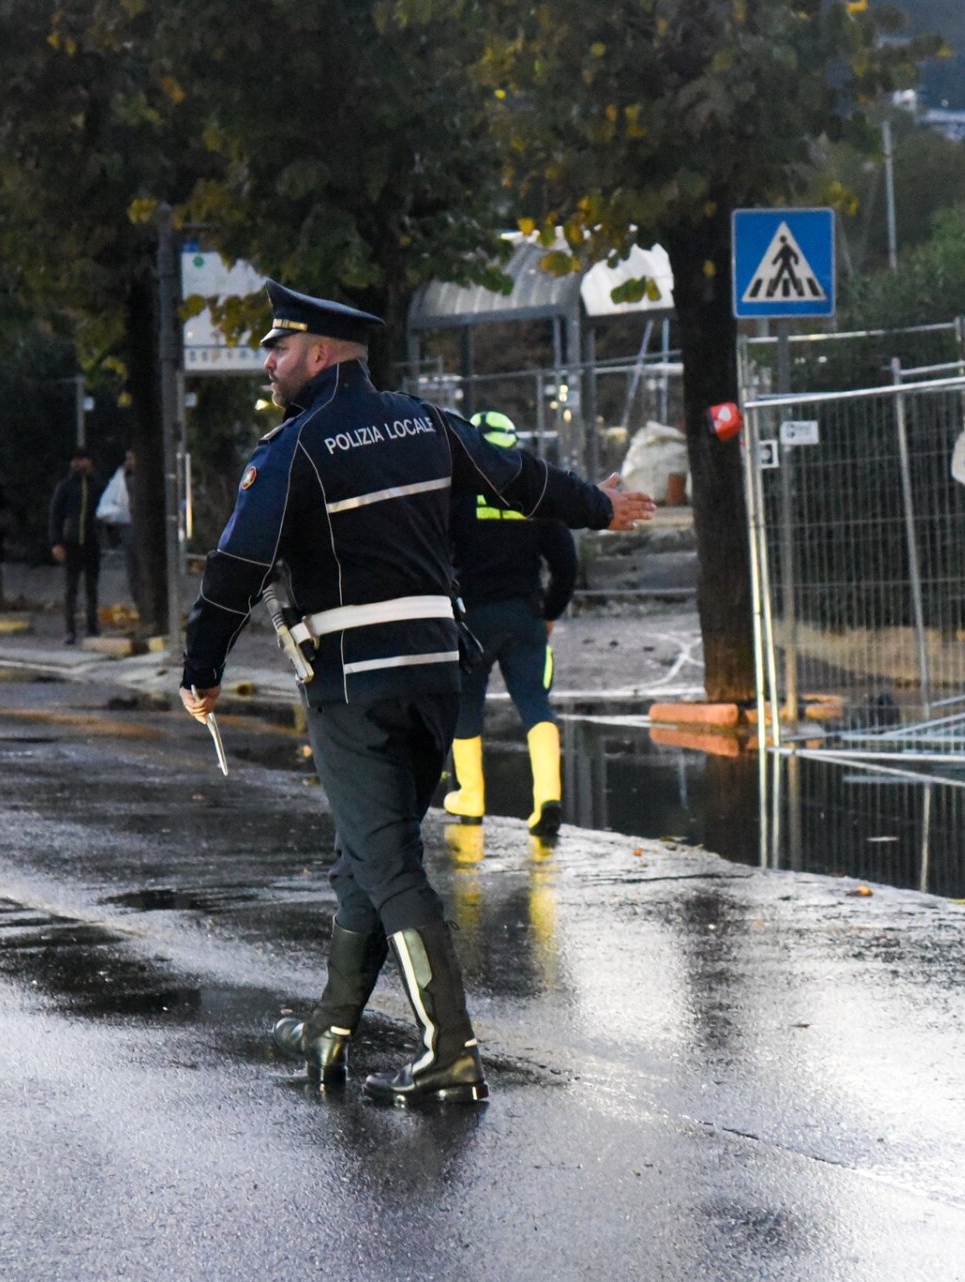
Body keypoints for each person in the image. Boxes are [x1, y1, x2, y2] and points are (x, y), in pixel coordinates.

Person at [179, 281, 654, 1106]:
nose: (268, 362)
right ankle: (330, 1028)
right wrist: (601, 507)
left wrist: (200, 668)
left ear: (323, 354)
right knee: (368, 850)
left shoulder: (294, 451)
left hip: (355, 687)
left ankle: (452, 1052)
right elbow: (525, 482)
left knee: (388, 859)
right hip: (438, 675)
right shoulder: (428, 424)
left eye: (280, 349)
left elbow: (233, 573)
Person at [442, 410, 579, 838]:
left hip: (471, 618)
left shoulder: (456, 496)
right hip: (525, 616)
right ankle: (547, 799)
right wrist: (551, 611)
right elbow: (566, 562)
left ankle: (471, 796)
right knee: (536, 704)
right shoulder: (533, 493)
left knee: (466, 704)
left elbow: (435, 556)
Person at [48, 447, 100, 644]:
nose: (78, 464)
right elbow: (55, 515)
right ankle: (70, 630)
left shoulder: (96, 484)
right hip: (71, 542)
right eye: (75, 460)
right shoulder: (66, 486)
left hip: (91, 542)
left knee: (91, 588)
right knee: (71, 588)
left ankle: (92, 627)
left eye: (82, 460)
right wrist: (56, 542)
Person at [96, 448, 140, 612]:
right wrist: (123, 514)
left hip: (141, 529)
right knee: (133, 569)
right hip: (130, 527)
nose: (129, 462)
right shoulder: (121, 479)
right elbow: (104, 509)